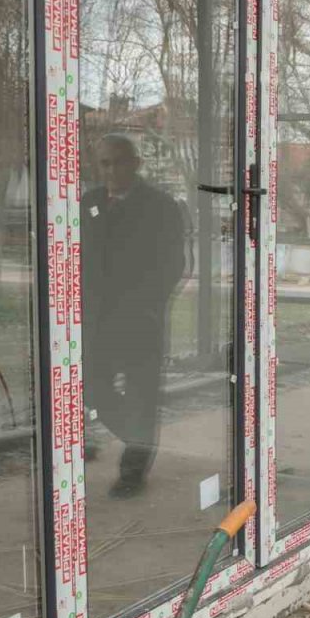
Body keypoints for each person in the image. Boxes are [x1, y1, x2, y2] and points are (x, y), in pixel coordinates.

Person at [82, 134, 186, 498]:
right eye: (105, 163)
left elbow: (174, 264)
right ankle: (138, 437)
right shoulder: (88, 203)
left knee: (142, 395)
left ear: (136, 163)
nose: (111, 170)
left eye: (119, 161)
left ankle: (132, 473)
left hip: (141, 320)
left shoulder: (161, 206)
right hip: (96, 323)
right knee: (91, 386)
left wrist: (147, 304)